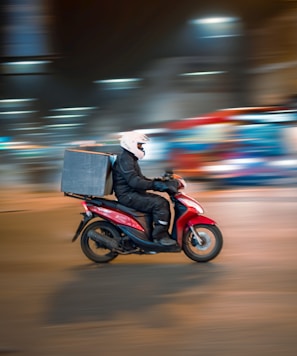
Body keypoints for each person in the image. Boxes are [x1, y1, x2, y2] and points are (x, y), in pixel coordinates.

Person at [112, 131, 178, 246]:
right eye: (139, 145)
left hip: (132, 193)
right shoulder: (125, 159)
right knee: (160, 203)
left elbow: (140, 178)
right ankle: (160, 237)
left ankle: (151, 233)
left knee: (158, 201)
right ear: (131, 143)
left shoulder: (129, 158)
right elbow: (134, 182)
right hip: (128, 195)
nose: (141, 148)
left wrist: (158, 182)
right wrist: (156, 185)